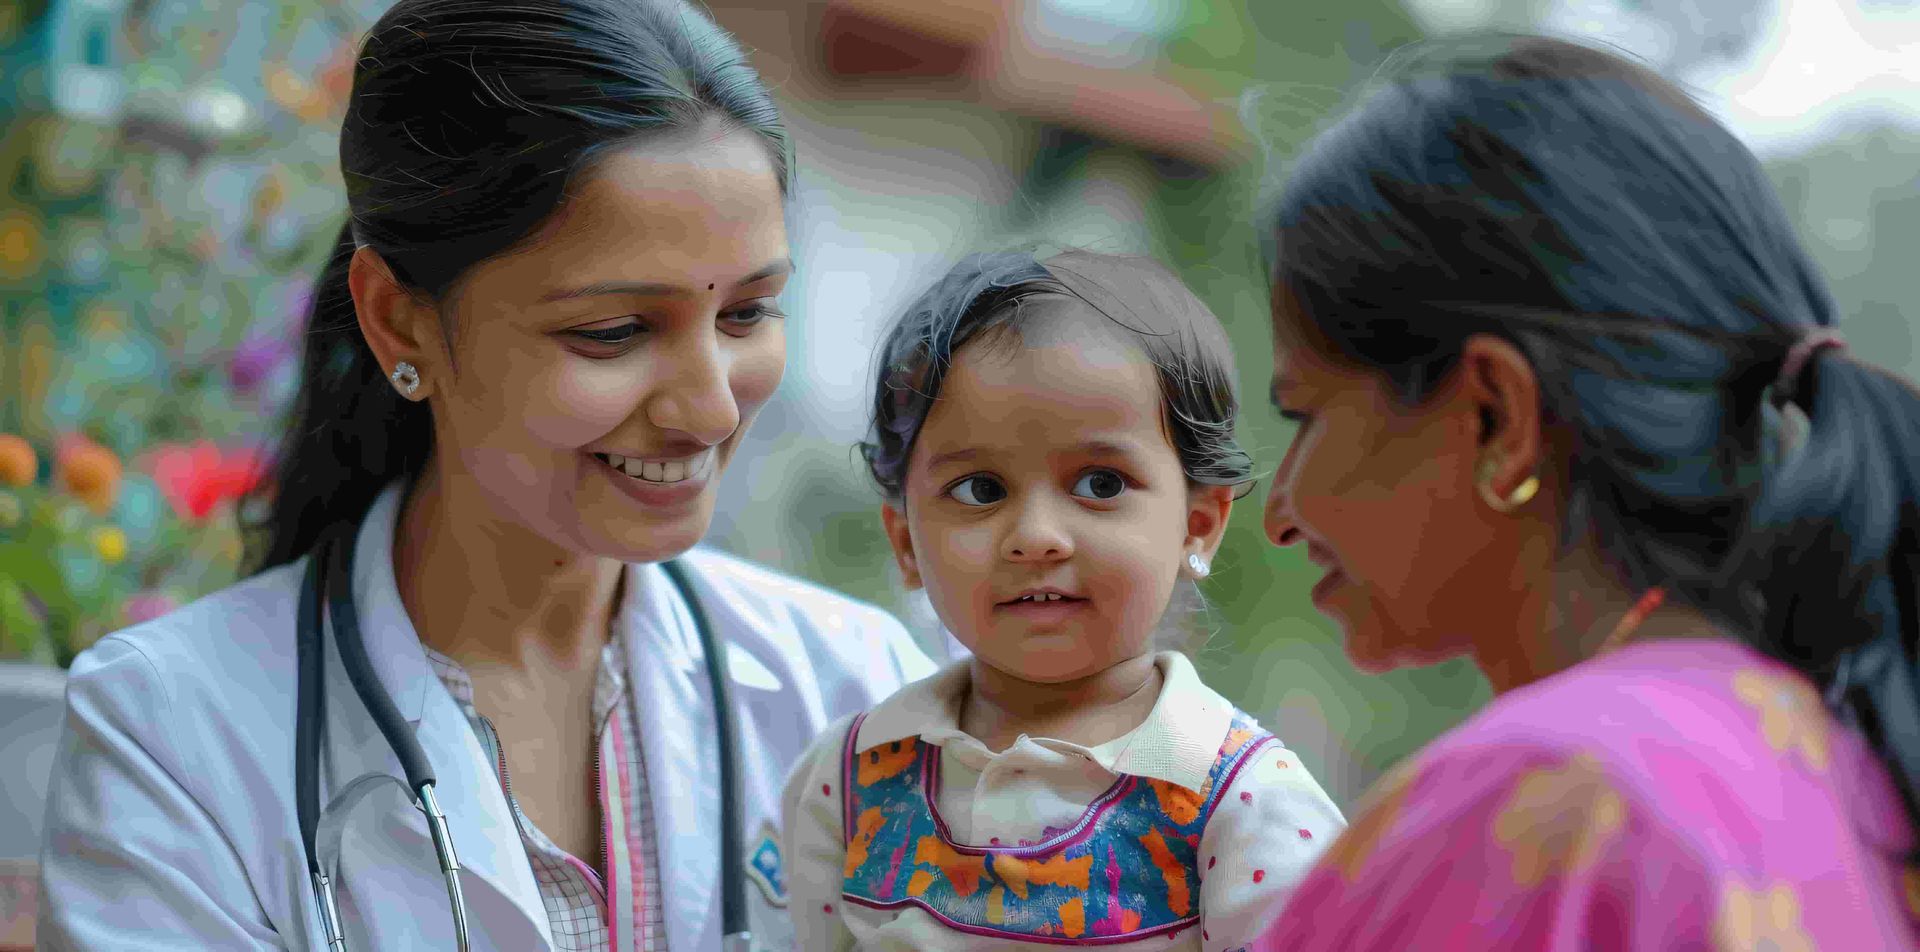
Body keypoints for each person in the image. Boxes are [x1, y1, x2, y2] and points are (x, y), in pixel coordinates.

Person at [34, 1, 934, 949]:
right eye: (613, 331)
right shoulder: (169, 735)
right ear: (398, 320)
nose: (710, 408)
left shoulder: (852, 690)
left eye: (748, 314)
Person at [1249, 35, 1920, 949]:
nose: (1280, 512)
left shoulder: (1542, 802)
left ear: (1495, 417)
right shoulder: (1838, 772)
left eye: (1305, 414)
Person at [782, 250, 1346, 950]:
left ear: (1198, 523)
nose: (1037, 537)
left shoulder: (1243, 803)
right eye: (980, 490)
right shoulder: (851, 777)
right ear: (905, 543)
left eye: (1101, 484)